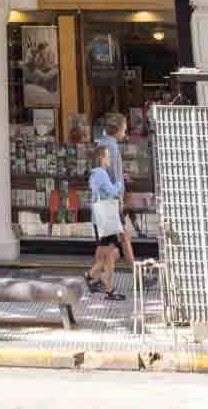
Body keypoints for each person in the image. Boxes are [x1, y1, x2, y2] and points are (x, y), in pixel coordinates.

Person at [93, 112, 134, 276]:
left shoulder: (101, 143)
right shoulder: (114, 147)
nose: (125, 132)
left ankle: (94, 277)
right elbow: (114, 175)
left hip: (102, 200)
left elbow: (103, 171)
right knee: (116, 243)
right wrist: (120, 199)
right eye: (124, 129)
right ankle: (92, 276)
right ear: (117, 130)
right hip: (111, 201)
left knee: (113, 241)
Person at [86, 150, 125, 300]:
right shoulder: (101, 173)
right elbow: (112, 191)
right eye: (108, 156)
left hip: (99, 220)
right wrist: (119, 183)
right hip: (106, 220)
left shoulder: (94, 174)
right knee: (112, 253)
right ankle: (90, 276)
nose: (109, 158)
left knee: (109, 254)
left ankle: (106, 287)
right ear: (101, 158)